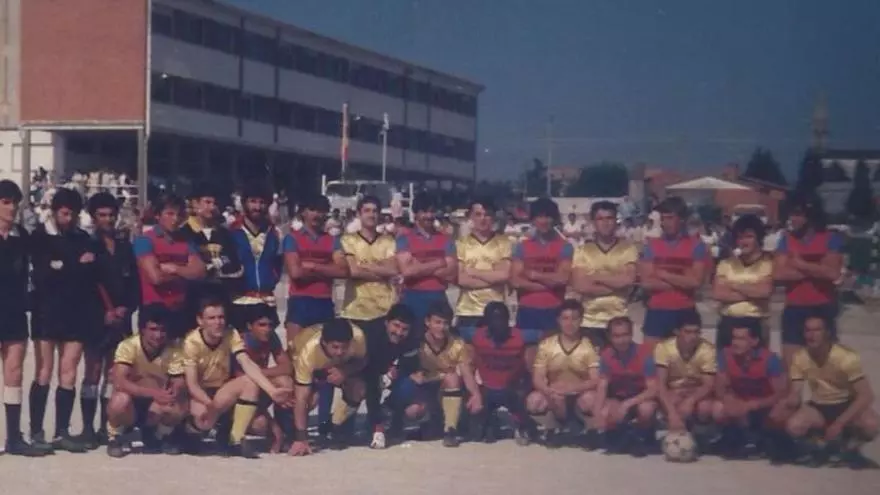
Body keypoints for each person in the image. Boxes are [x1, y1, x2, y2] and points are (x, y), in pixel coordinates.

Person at [29, 187, 104, 453]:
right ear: (53, 211)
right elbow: (42, 274)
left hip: (75, 312)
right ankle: (37, 431)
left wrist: (63, 265)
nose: (68, 218)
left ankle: (62, 431)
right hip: (46, 312)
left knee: (69, 371)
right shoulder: (39, 237)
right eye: (64, 213)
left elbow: (89, 271)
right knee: (43, 371)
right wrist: (74, 264)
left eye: (72, 213)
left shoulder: (82, 237)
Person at [181, 299, 291, 458]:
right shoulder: (191, 342)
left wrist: (272, 391)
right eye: (211, 318)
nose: (218, 322)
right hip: (201, 393)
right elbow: (192, 385)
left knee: (250, 382)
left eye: (221, 317)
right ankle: (191, 434)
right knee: (203, 418)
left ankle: (235, 440)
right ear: (200, 320)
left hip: (223, 390)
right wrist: (210, 405)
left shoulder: (231, 334)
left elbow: (246, 363)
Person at [78, 192, 140, 449]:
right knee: (92, 372)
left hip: (121, 320)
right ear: (93, 218)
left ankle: (107, 426)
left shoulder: (125, 247)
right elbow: (83, 287)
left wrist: (126, 307)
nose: (107, 219)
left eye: (111, 215)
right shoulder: (87, 246)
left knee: (114, 373)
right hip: (96, 320)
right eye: (102, 215)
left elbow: (135, 285)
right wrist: (101, 313)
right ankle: (87, 428)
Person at [282, 193, 347, 436]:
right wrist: (325, 269)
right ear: (303, 212)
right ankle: (293, 422)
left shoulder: (333, 240)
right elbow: (295, 273)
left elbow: (342, 270)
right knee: (295, 361)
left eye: (321, 211)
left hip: (323, 303)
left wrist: (312, 266)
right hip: (300, 303)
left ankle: (323, 421)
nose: (317, 215)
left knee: (327, 362)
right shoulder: (292, 239)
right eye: (312, 210)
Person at [785, 315, 878, 466]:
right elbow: (796, 388)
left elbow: (866, 395)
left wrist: (839, 423)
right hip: (820, 405)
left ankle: (851, 447)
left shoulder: (845, 357)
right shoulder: (800, 357)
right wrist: (792, 398)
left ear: (827, 333)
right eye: (808, 330)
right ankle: (821, 447)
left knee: (871, 424)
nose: (812, 335)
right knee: (794, 425)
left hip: (846, 403)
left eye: (817, 330)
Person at [393, 301, 482, 447]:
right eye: (437, 322)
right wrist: (413, 375)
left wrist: (476, 395)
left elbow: (466, 373)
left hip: (446, 387)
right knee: (412, 411)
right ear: (427, 322)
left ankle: (450, 430)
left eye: (445, 323)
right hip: (425, 389)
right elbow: (404, 368)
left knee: (452, 377)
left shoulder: (457, 344)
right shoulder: (417, 342)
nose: (442, 327)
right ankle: (425, 422)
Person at [104, 304, 187, 458]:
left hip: (156, 404)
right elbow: (120, 381)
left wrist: (174, 391)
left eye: (162, 330)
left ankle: (158, 435)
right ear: (142, 329)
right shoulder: (128, 346)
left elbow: (179, 381)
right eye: (153, 329)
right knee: (119, 400)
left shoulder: (173, 350)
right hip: (131, 403)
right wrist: (153, 393)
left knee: (179, 404)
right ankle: (116, 436)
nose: (158, 335)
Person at [0, 180, 45, 456]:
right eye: (5, 202)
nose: (12, 208)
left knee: (14, 372)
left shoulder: (23, 237)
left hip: (14, 312)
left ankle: (14, 437)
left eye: (15, 202)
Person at [773, 194, 843, 366]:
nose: (793, 218)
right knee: (791, 365)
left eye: (798, 214)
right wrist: (817, 268)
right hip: (795, 306)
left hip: (822, 306)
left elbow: (832, 273)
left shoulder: (830, 238)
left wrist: (800, 264)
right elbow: (778, 274)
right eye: (791, 214)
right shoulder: (786, 239)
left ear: (810, 215)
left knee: (826, 365)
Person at [525, 300, 600, 448]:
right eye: (565, 318)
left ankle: (587, 428)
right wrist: (547, 390)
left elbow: (595, 379)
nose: (569, 323)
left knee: (591, 400)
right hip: (554, 393)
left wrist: (573, 388)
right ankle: (552, 427)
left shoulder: (589, 345)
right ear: (558, 320)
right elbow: (538, 377)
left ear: (581, 320)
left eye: (574, 319)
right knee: (534, 401)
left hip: (580, 394)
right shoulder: (547, 344)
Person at [288, 318, 368, 456]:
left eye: (344, 347)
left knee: (359, 388)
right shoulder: (308, 352)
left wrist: (345, 371)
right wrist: (301, 438)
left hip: (338, 366)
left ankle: (335, 426)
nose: (340, 352)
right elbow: (301, 398)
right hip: (302, 360)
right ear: (324, 342)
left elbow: (363, 360)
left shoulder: (358, 337)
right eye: (335, 347)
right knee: (310, 400)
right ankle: (292, 431)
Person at [638, 197, 710, 349]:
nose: (665, 223)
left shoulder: (696, 246)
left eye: (670, 218)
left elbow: (696, 282)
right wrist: (682, 281)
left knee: (685, 358)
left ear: (682, 219)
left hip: (685, 310)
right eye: (663, 218)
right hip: (657, 310)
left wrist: (663, 275)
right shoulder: (652, 245)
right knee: (650, 357)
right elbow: (646, 283)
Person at [133, 193, 206, 340]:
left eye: (179, 215)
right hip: (154, 312)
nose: (175, 219)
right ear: (158, 215)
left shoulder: (186, 241)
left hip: (180, 311)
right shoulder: (145, 240)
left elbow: (200, 272)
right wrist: (186, 271)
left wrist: (174, 268)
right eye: (170, 214)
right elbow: (155, 277)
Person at [510, 198, 573, 362]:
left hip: (554, 309)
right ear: (533, 219)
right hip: (528, 309)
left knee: (554, 357)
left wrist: (533, 275)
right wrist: (549, 284)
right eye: (539, 217)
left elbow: (563, 278)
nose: (543, 221)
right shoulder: (522, 247)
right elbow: (515, 281)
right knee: (528, 358)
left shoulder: (565, 246)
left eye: (548, 217)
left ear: (554, 219)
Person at [713, 324, 790, 459]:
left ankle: (776, 440)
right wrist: (728, 399)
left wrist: (754, 404)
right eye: (734, 338)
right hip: (740, 401)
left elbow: (781, 393)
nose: (735, 343)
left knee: (780, 410)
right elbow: (720, 388)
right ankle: (738, 439)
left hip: (764, 404)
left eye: (741, 339)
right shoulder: (725, 355)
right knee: (718, 408)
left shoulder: (770, 360)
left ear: (754, 341)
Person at [571, 201, 638, 349]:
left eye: (609, 218)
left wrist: (595, 277)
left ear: (616, 221)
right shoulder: (582, 250)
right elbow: (580, 286)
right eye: (600, 219)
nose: (605, 223)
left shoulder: (628, 249)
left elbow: (628, 280)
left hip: (619, 320)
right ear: (593, 222)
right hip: (590, 320)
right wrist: (616, 284)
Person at [468, 302, 535, 445]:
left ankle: (522, 423)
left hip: (512, 389)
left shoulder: (520, 338)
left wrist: (526, 388)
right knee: (477, 435)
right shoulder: (477, 338)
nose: (498, 323)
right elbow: (469, 367)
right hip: (486, 388)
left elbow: (531, 368)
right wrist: (474, 393)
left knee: (521, 400)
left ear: (508, 320)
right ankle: (488, 421)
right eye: (493, 319)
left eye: (501, 319)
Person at [179, 183, 243, 328]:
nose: (212, 207)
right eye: (207, 202)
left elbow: (234, 262)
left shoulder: (224, 233)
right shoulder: (183, 233)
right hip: (192, 298)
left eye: (214, 203)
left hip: (219, 296)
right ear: (195, 203)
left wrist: (216, 264)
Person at [592, 316, 658, 456]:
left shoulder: (644, 353)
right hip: (617, 397)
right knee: (606, 411)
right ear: (610, 337)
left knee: (646, 409)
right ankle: (618, 435)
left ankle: (644, 437)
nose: (621, 340)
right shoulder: (606, 355)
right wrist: (597, 413)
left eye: (625, 335)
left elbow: (652, 389)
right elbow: (602, 385)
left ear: (631, 334)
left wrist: (628, 403)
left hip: (640, 397)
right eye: (616, 336)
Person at [234, 303, 294, 453]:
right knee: (260, 424)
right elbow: (242, 381)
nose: (267, 329)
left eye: (270, 325)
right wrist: (272, 425)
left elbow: (287, 367)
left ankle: (286, 431)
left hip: (259, 385)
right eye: (261, 325)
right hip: (239, 398)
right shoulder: (240, 342)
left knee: (285, 381)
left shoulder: (271, 337)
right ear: (249, 326)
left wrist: (258, 373)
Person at [395, 193, 456, 338]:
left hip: (438, 296)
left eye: (431, 211)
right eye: (424, 212)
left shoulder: (446, 239)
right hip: (412, 297)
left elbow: (451, 274)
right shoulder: (404, 239)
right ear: (416, 214)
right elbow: (407, 271)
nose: (429, 216)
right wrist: (438, 263)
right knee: (413, 341)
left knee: (439, 340)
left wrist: (419, 266)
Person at [712, 214, 774, 350]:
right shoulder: (725, 264)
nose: (743, 242)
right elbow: (718, 293)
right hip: (728, 321)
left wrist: (733, 285)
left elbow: (764, 292)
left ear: (758, 238)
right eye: (740, 237)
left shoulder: (768, 264)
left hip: (756, 322)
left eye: (749, 237)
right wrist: (752, 291)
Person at [455, 197, 512, 343]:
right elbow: (461, 279)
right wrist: (492, 277)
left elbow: (504, 275)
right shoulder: (461, 244)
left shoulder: (503, 242)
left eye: (487, 215)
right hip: (468, 310)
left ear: (493, 217)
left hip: (496, 310)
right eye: (478, 214)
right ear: (471, 217)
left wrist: (474, 272)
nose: (483, 219)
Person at [339, 195, 398, 335]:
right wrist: (381, 271)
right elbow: (354, 272)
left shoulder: (388, 241)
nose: (371, 215)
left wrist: (364, 266)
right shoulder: (348, 240)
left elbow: (392, 270)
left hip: (384, 310)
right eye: (367, 211)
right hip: (355, 309)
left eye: (375, 211)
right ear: (359, 214)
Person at [654, 311, 717, 442]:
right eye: (688, 332)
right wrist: (672, 413)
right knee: (671, 401)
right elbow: (661, 383)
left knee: (705, 407)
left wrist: (691, 400)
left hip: (697, 391)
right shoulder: (664, 348)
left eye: (696, 332)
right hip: (673, 390)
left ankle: (700, 437)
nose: (693, 336)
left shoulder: (708, 350)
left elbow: (708, 384)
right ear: (677, 331)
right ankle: (674, 434)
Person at [228, 181, 282, 332]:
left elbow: (278, 264)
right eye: (252, 201)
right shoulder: (231, 232)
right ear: (244, 203)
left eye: (262, 202)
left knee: (264, 345)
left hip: (266, 301)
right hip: (239, 301)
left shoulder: (274, 233)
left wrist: (271, 279)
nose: (257, 207)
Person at [359, 304, 413, 449]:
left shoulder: (413, 338)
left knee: (408, 384)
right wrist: (378, 428)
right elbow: (371, 379)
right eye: (396, 326)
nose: (399, 332)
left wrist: (396, 369)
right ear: (386, 322)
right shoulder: (371, 336)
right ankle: (340, 428)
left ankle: (392, 417)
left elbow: (411, 364)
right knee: (362, 389)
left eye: (405, 329)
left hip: (387, 367)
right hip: (359, 368)